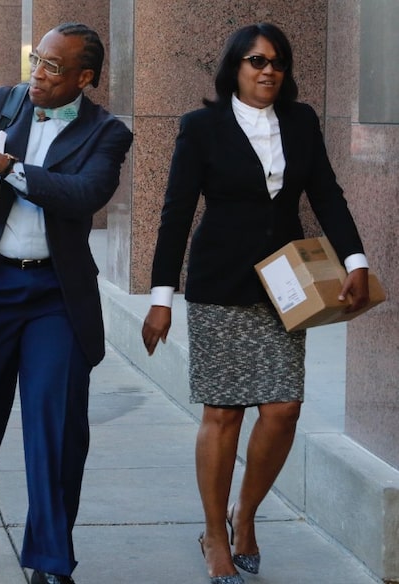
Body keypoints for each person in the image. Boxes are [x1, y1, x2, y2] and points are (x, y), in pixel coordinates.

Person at [141, 23, 370, 584]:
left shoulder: (301, 121)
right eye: (256, 60)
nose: (268, 70)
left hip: (285, 284)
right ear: (234, 68)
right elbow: (175, 213)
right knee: (222, 413)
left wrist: (357, 261)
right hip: (219, 284)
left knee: (282, 409)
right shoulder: (201, 127)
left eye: (278, 63)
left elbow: (327, 193)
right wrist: (161, 298)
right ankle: (215, 533)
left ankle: (246, 514)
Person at [0, 23, 132, 584]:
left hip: (54, 297)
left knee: (55, 425)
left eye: (53, 67)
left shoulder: (106, 133)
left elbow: (84, 195)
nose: (38, 73)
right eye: (36, 59)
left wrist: (6, 167)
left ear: (84, 78)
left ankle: (49, 557)